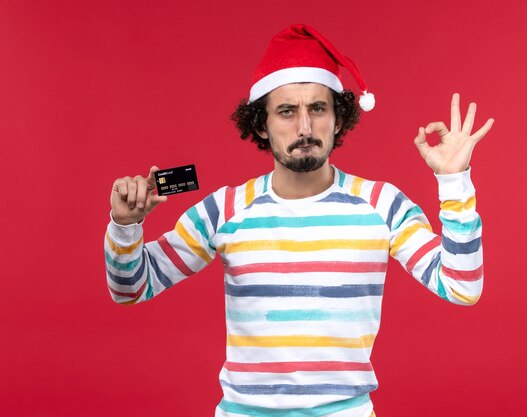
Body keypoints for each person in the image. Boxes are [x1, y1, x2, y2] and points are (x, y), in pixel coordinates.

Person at [105, 24, 494, 417]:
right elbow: (132, 289)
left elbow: (462, 287)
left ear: (338, 118)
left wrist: (454, 181)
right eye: (287, 111)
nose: (304, 128)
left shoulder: (382, 205)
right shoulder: (225, 209)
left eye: (318, 109)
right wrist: (125, 226)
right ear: (261, 123)